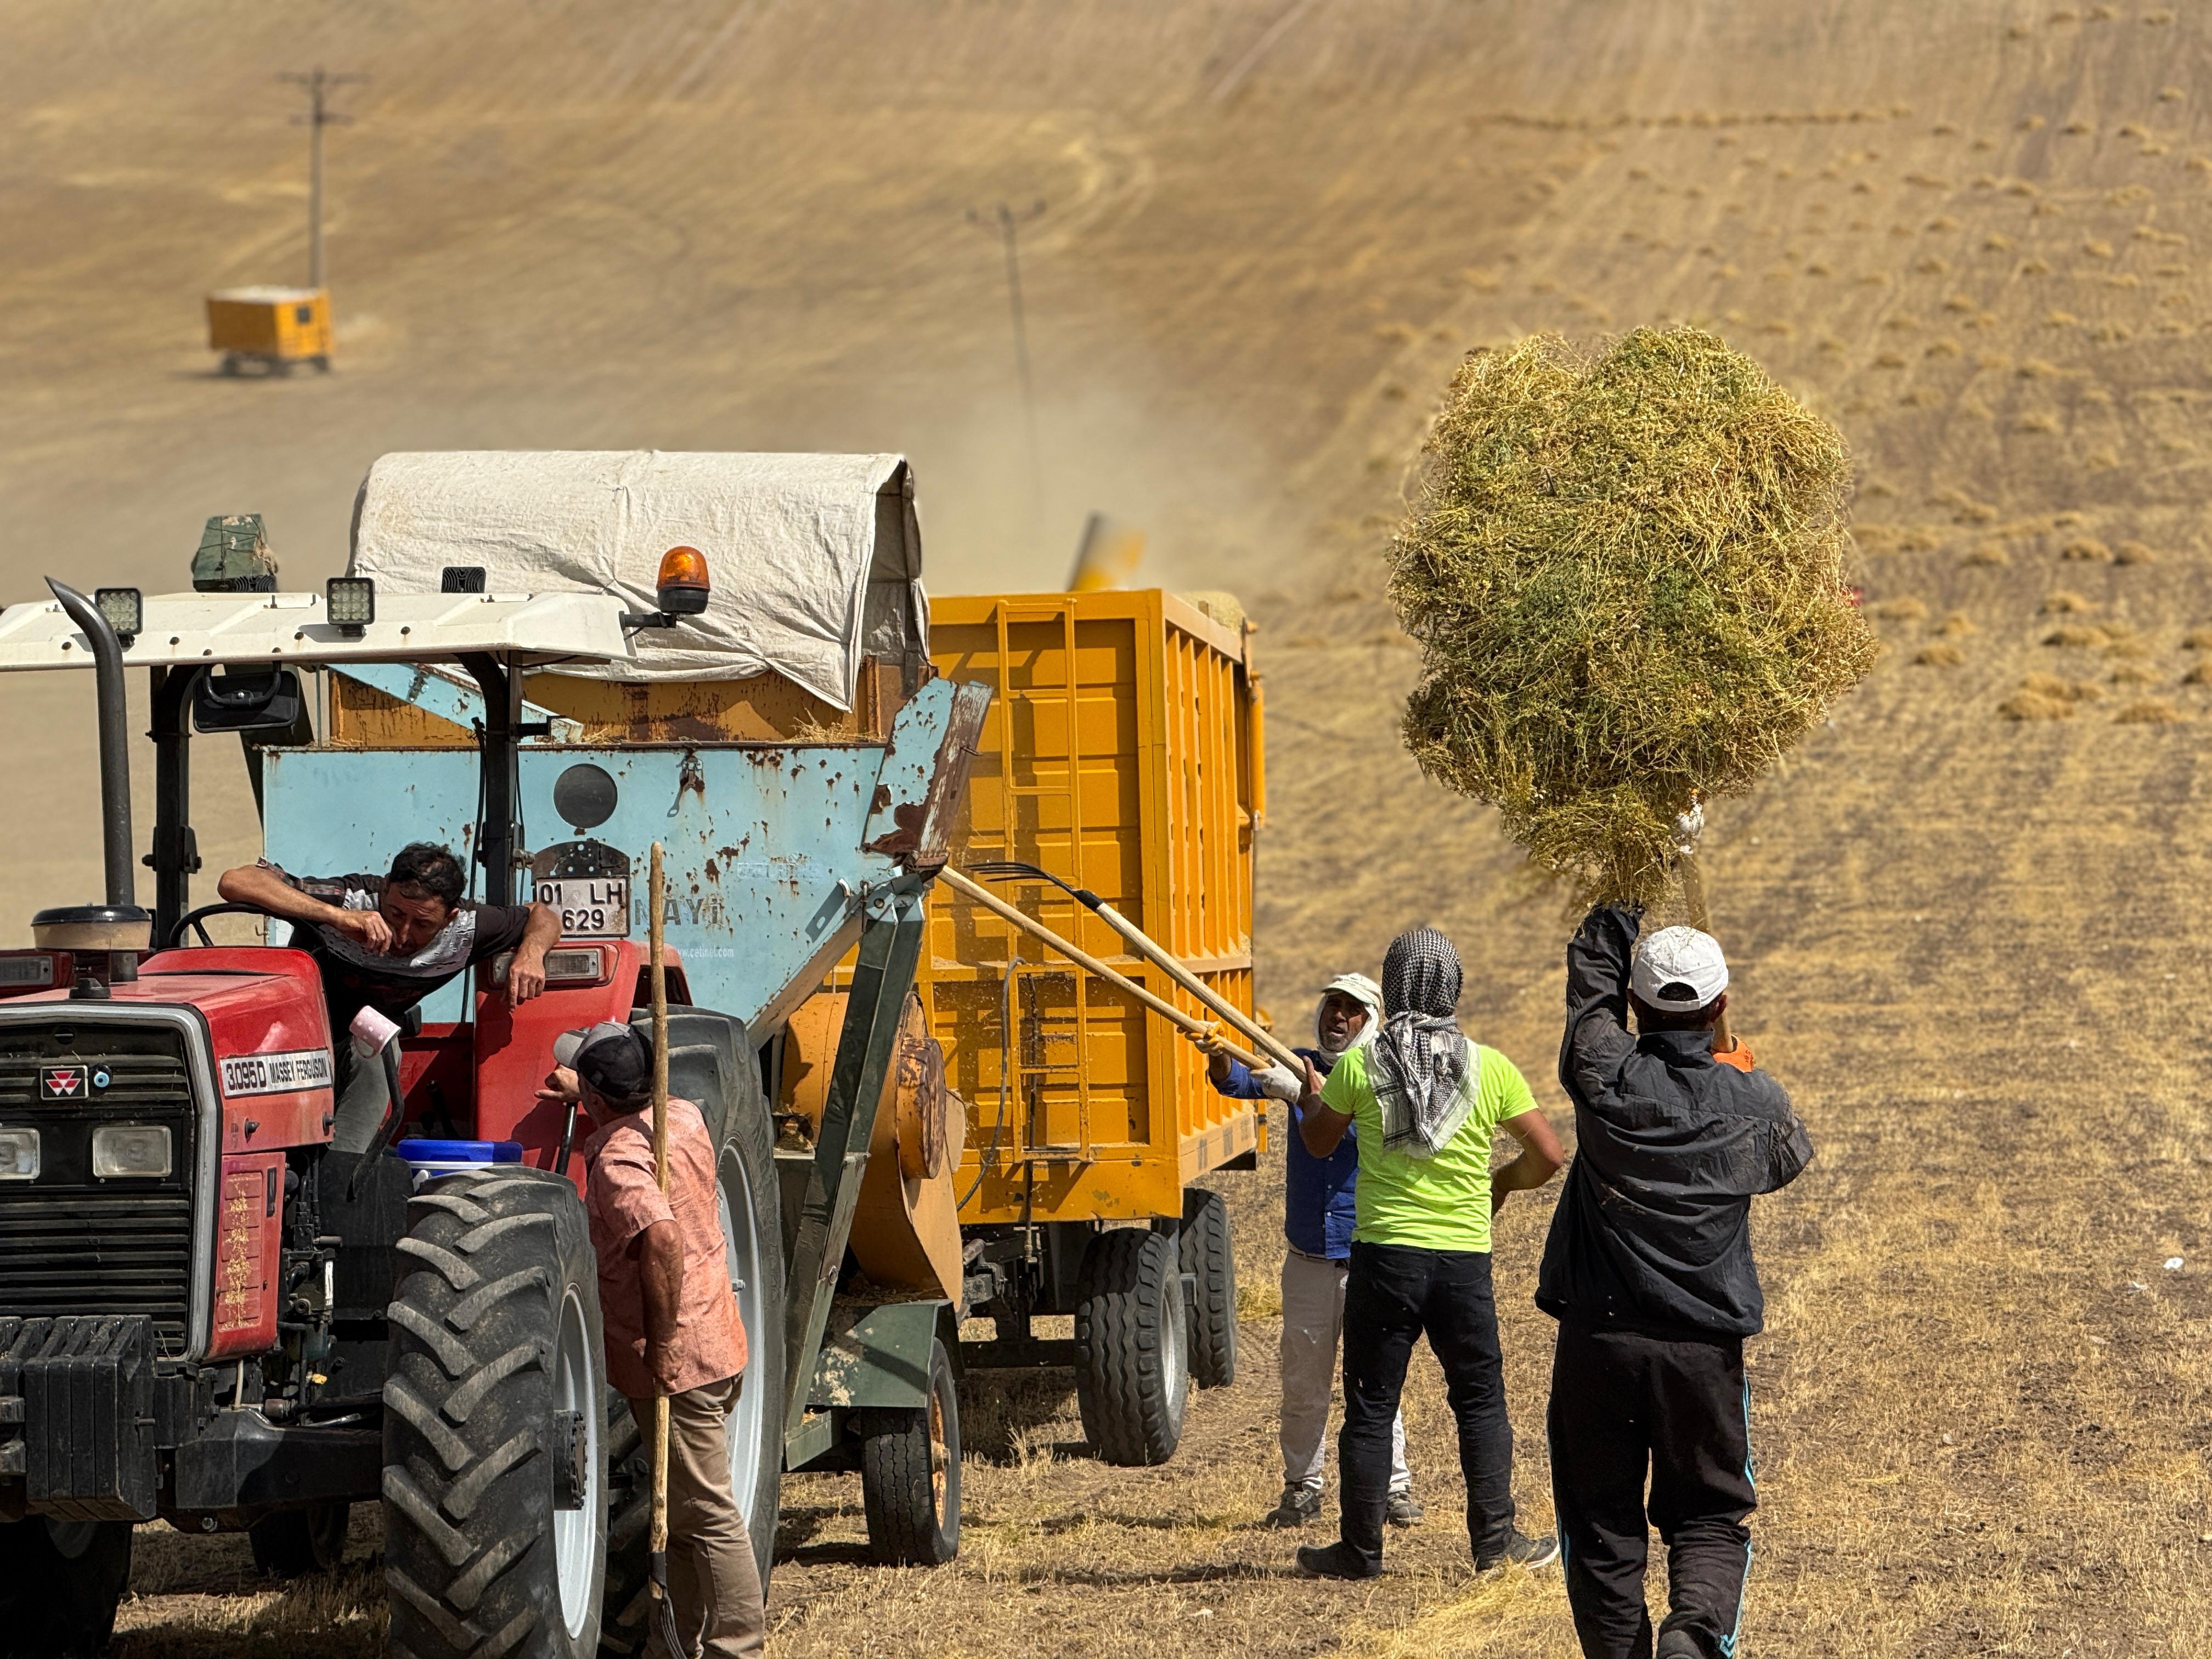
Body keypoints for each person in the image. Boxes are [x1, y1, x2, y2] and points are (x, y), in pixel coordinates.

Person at [1538, 906, 1814, 1659]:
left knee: (1600, 1527)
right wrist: (1738, 1069)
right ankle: (1692, 1635)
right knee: (1708, 1517)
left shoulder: (1602, 1078)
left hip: (1599, 1343)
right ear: (1722, 1005)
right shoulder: (1757, 1105)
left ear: (1636, 1004)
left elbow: (1588, 1006)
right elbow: (1790, 1160)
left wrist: (1611, 917)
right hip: (1703, 1351)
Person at [1290, 927, 1565, 1581]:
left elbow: (1320, 1143)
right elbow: (1550, 1155)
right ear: (1453, 987)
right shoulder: (1490, 1066)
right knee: (1479, 1401)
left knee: (1371, 1404)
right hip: (1463, 1261)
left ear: (1390, 986)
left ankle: (1360, 1550)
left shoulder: (1360, 1066)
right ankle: (1494, 1544)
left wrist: (1313, 1094)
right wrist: (1500, 1181)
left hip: (1384, 1258)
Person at [541, 1021, 765, 1659]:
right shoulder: (682, 1115)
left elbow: (661, 1237)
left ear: (599, 1097)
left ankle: (737, 1648)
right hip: (718, 1335)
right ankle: (680, 1646)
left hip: (682, 1361)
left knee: (710, 1515)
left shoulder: (615, 1161)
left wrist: (662, 1346)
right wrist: (585, 1092)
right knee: (691, 1517)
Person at [1200, 974, 1421, 1528]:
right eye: (1332, 1006)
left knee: (1375, 1382)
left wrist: (1302, 1093)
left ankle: (1393, 1488)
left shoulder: (1382, 1077)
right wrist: (1218, 1055)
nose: (1338, 1017)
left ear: (1372, 1020)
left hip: (1370, 1257)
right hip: (1307, 1262)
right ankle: (1302, 1487)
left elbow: (1350, 1134)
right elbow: (1236, 1086)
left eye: (1351, 1010)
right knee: (1303, 1385)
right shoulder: (1296, 1061)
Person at [217, 843, 559, 1151]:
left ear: (450, 918)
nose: (403, 933)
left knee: (379, 1043)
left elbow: (543, 916)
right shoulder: (349, 898)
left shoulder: (469, 929)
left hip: (360, 1032)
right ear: (384, 890)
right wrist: (337, 918)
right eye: (395, 914)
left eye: (422, 924)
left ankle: (343, 1171)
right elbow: (236, 881)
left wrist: (531, 953)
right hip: (295, 1035)